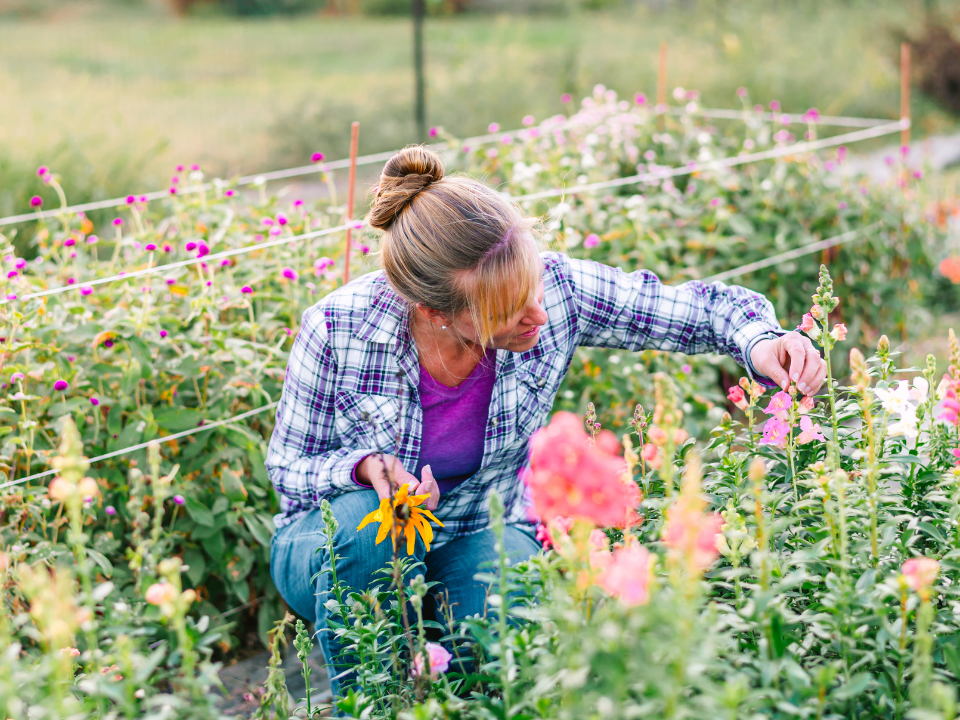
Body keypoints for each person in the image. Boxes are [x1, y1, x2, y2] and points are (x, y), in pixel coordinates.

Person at [265, 145, 826, 696]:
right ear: (436, 312)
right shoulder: (339, 328)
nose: (539, 313)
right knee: (370, 528)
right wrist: (364, 468)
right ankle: (374, 703)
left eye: (533, 287)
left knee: (508, 651)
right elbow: (287, 467)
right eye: (508, 311)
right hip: (330, 542)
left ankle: (451, 660)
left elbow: (698, 308)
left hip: (477, 526)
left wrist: (762, 342)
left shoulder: (555, 290)